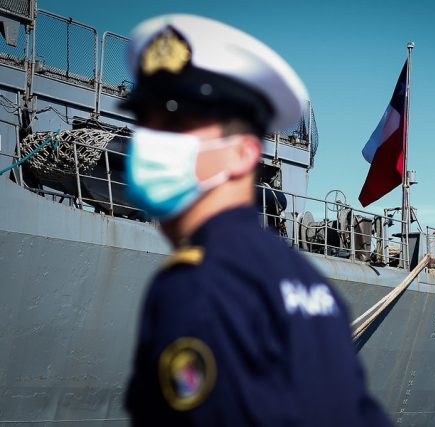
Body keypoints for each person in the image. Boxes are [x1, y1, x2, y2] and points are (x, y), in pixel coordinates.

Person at [121, 14, 391, 426]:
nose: (152, 145)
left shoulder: (194, 287)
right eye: (147, 124)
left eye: (177, 125)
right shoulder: (315, 287)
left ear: (244, 153)